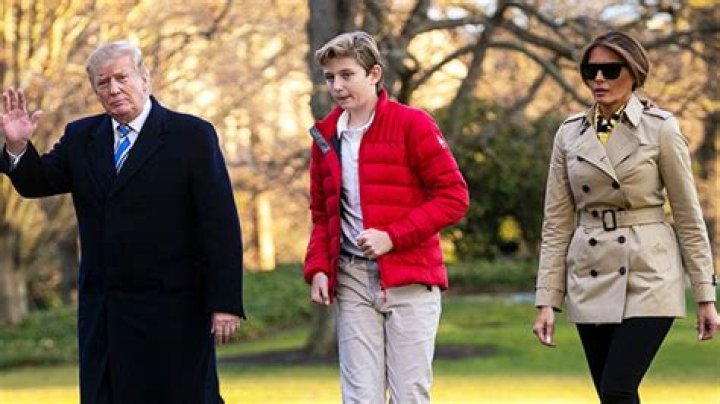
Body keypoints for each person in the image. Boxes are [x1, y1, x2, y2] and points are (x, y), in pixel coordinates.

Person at [0, 41, 244, 404]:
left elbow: (220, 223)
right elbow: (38, 182)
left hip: (174, 312)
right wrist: (18, 148)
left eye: (121, 78)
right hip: (106, 314)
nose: (113, 89)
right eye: (103, 83)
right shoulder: (82, 137)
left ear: (144, 78)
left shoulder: (191, 135)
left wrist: (224, 301)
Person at [532, 31, 718, 403]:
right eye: (591, 71)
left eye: (610, 70)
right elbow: (556, 223)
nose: (599, 79)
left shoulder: (661, 128)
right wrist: (547, 300)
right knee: (611, 394)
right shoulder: (569, 134)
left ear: (633, 73)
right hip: (590, 271)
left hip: (650, 273)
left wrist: (705, 295)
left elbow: (687, 215)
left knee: (617, 387)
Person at [303, 31, 469, 403]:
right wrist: (318, 267)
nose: (337, 86)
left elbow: (454, 197)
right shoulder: (325, 136)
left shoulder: (413, 124)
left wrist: (392, 236)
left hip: (410, 278)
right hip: (352, 277)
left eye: (347, 75)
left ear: (374, 74)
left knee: (409, 395)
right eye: (330, 77)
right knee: (360, 397)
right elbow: (321, 213)